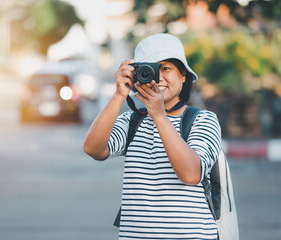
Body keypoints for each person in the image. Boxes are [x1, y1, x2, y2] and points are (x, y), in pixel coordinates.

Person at [84, 33, 221, 240]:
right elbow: (93, 149)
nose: (158, 78)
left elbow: (191, 174)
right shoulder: (131, 121)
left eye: (165, 68)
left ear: (183, 75)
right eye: (150, 70)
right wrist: (119, 95)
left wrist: (159, 115)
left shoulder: (203, 120)